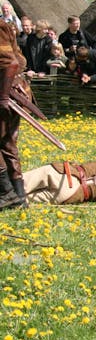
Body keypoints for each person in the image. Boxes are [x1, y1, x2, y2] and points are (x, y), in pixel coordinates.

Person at [22, 160, 96, 205]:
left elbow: (88, 164)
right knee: (23, 199)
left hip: (65, 174)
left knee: (20, 183)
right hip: (72, 194)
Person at [0, 21, 27, 208]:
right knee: (6, 143)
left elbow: (12, 63)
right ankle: (19, 196)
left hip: (7, 92)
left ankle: (7, 193)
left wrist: (2, 96)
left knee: (6, 142)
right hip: (10, 90)